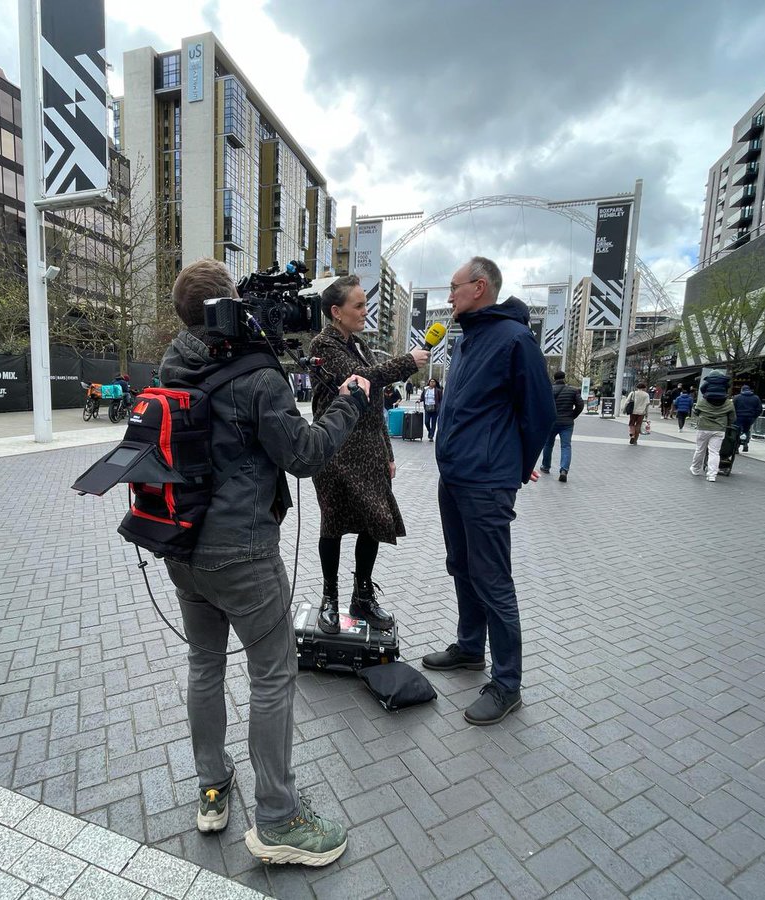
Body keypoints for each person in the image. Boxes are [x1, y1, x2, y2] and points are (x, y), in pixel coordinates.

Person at [157, 259, 371, 867]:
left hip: (183, 547)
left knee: (204, 663)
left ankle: (211, 786)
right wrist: (349, 402)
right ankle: (278, 819)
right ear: (230, 308)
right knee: (272, 676)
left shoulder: (175, 364)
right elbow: (302, 455)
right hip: (245, 556)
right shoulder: (256, 373)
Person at [422, 257, 556, 725]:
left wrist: (511, 470)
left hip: (485, 483)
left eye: (454, 286)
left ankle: (507, 684)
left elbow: (539, 412)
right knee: (461, 565)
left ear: (479, 287)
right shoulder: (465, 342)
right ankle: (468, 647)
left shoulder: (515, 339)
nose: (449, 295)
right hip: (454, 477)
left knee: (493, 579)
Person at [308, 276, 428, 634]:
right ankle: (329, 598)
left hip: (370, 452)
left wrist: (388, 451)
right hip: (335, 451)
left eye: (365, 304)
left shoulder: (358, 344)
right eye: (358, 305)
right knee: (332, 524)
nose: (365, 312)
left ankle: (361, 596)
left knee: (373, 521)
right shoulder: (323, 345)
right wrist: (406, 362)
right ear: (336, 311)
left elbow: (374, 405)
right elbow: (360, 381)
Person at [689, 373, 736, 482]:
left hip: (704, 427)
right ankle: (712, 475)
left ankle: (695, 469)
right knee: (714, 452)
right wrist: (727, 423)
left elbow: (696, 412)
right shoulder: (728, 403)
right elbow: (733, 418)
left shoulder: (703, 402)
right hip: (719, 429)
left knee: (700, 449)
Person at [540, 370, 584, 482]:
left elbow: (543, 405)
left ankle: (546, 466)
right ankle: (564, 470)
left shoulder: (549, 390)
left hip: (552, 422)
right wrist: (572, 416)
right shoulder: (573, 390)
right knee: (566, 446)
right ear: (564, 378)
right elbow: (580, 405)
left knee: (548, 444)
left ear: (554, 379)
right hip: (567, 423)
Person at [733, 383, 763, 451]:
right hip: (750, 417)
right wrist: (754, 416)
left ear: (742, 390)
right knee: (746, 430)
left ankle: (736, 447)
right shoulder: (756, 398)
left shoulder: (737, 397)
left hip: (739, 417)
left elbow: (733, 407)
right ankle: (745, 443)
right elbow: (759, 409)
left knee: (737, 431)